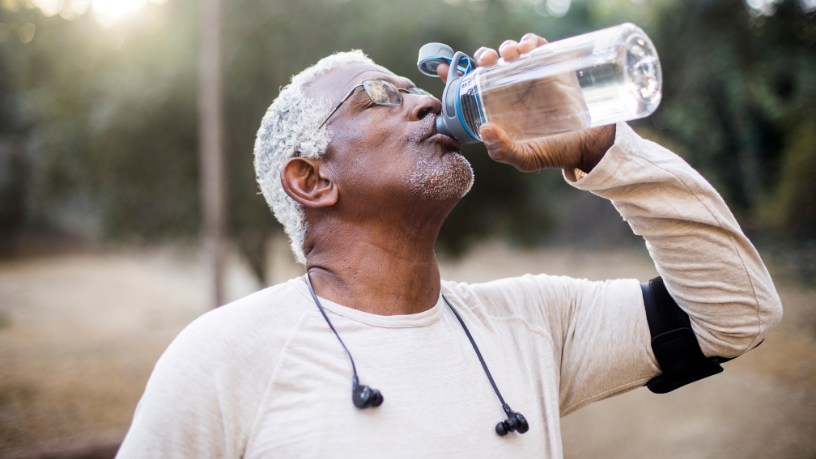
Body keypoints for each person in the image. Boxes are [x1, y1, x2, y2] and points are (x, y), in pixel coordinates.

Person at [117, 34, 782, 458]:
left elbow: (739, 313)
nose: (423, 105)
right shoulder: (223, 358)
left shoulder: (534, 322)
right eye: (379, 96)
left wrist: (602, 149)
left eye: (416, 89)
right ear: (313, 178)